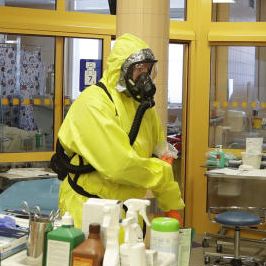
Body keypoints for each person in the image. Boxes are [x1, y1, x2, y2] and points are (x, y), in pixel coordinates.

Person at [51, 34, 183, 227]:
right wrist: (161, 172)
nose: (144, 76)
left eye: (148, 69)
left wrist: (170, 204)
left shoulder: (143, 107)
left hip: (128, 213)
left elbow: (160, 151)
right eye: (139, 69)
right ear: (121, 70)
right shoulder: (94, 102)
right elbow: (119, 166)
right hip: (88, 212)